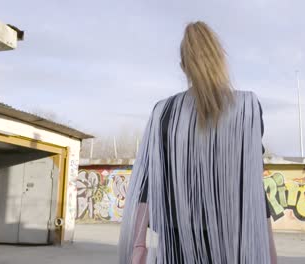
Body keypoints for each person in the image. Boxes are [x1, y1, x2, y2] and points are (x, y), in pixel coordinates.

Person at [119, 21, 277, 264]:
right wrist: (269, 253)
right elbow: (253, 187)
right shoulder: (246, 108)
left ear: (184, 66)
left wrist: (138, 246)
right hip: (232, 243)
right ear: (220, 57)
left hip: (176, 243)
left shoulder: (164, 112)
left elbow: (146, 185)